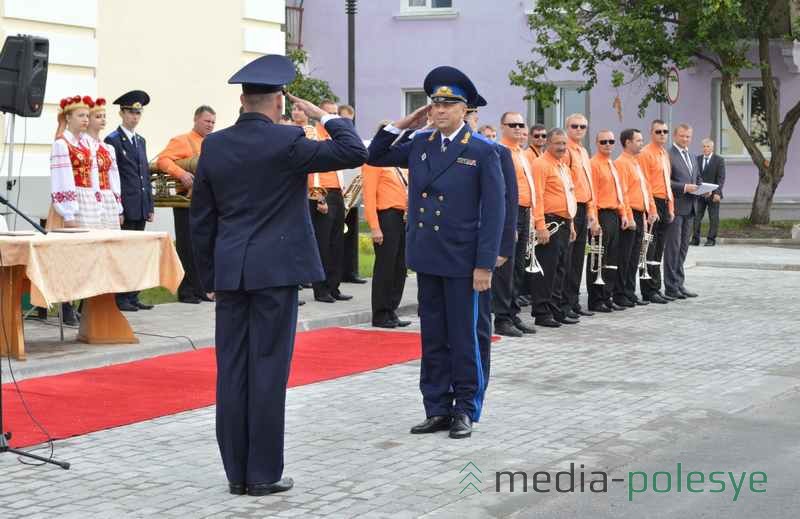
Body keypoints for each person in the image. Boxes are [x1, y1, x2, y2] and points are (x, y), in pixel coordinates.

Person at [190, 54, 368, 496]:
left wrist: (209, 275)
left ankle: (236, 472)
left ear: (242, 100)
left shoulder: (214, 145)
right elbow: (354, 150)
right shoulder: (289, 140)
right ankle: (263, 473)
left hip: (232, 271)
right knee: (268, 370)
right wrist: (323, 114)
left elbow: (202, 218)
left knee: (232, 370)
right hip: (276, 272)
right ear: (278, 101)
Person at [368, 66, 505, 439]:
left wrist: (484, 264)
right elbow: (375, 154)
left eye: (448, 104)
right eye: (434, 104)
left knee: (465, 336)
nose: (439, 110)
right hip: (428, 256)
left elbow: (494, 212)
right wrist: (405, 122)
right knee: (434, 336)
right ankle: (437, 407)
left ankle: (466, 408)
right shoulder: (422, 143)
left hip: (463, 261)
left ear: (466, 110)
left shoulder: (481, 150)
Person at [46, 95, 103, 324]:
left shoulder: (87, 143)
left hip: (87, 200)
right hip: (69, 204)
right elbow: (61, 179)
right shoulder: (62, 144)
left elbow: (94, 175)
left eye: (86, 116)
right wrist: (68, 212)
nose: (85, 120)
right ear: (67, 118)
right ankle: (66, 307)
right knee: (68, 258)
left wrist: (96, 202)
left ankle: (82, 304)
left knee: (86, 258)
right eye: (80, 115)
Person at [156, 105, 216, 304]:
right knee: (187, 247)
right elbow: (162, 160)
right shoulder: (182, 140)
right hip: (185, 202)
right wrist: (181, 173)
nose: (211, 125)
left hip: (206, 202)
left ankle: (202, 289)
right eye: (207, 121)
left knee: (203, 246)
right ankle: (187, 291)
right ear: (196, 120)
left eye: (213, 122)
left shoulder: (212, 142)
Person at [492, 111, 537, 337]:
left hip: (525, 211)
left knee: (519, 267)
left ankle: (512, 312)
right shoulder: (500, 151)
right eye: (513, 125)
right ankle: (501, 318)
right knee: (505, 268)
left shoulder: (522, 153)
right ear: (503, 127)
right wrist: (509, 223)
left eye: (521, 125)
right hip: (511, 212)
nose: (519, 129)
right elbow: (502, 190)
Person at [363, 120, 410, 328]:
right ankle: (380, 313)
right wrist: (374, 226)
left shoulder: (396, 161)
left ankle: (392, 309)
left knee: (400, 266)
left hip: (402, 217)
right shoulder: (373, 161)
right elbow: (369, 195)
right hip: (386, 216)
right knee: (385, 266)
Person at [529, 128, 577, 327]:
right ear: (548, 143)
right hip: (550, 223)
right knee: (546, 270)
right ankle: (542, 312)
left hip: (565, 222)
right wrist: (540, 226)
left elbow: (569, 195)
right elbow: (537, 196)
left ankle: (555, 309)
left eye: (564, 144)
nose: (562, 147)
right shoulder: (541, 164)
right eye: (557, 143)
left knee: (560, 269)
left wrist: (572, 223)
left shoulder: (563, 165)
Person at [307, 99, 353, 302]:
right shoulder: (313, 134)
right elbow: (310, 169)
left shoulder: (334, 135)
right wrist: (319, 198)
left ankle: (334, 286)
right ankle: (321, 288)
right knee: (322, 243)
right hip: (321, 193)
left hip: (336, 193)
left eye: (335, 113)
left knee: (336, 243)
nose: (334, 117)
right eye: (330, 113)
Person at [586, 130, 629, 313]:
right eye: (603, 141)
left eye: (611, 141)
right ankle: (595, 299)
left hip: (614, 214)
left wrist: (624, 214)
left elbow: (620, 192)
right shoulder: (593, 164)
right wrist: (593, 220)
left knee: (612, 260)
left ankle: (607, 296)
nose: (608, 145)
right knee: (597, 258)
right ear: (597, 143)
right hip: (601, 214)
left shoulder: (611, 164)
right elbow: (592, 195)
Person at [614, 128, 658, 308]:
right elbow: (622, 193)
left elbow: (646, 188)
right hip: (630, 213)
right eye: (638, 140)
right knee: (624, 257)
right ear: (627, 142)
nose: (642, 143)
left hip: (641, 213)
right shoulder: (621, 163)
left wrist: (651, 210)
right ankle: (620, 293)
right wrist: (629, 216)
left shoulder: (636, 162)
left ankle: (630, 291)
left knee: (634, 257)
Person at [561, 113, 598, 320]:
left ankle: (573, 301)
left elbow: (589, 184)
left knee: (577, 259)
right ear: (567, 127)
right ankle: (564, 304)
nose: (578, 129)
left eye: (582, 126)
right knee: (567, 258)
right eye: (574, 126)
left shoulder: (583, 151)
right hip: (571, 208)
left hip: (584, 207)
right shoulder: (565, 150)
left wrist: (592, 211)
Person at [638, 120, 675, 304]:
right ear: (651, 133)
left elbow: (667, 183)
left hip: (664, 202)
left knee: (659, 249)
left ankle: (656, 287)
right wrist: (652, 208)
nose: (662, 134)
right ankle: (648, 290)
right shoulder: (645, 153)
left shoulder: (664, 153)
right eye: (658, 131)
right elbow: (645, 184)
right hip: (652, 204)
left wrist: (671, 207)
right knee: (649, 249)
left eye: (665, 131)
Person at [665, 123, 700, 300]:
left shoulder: (692, 156)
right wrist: (685, 187)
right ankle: (670, 287)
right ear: (675, 136)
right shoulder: (669, 155)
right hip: (676, 208)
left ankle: (679, 283)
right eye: (682, 136)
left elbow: (697, 178)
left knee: (683, 249)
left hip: (691, 208)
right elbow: (665, 182)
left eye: (688, 136)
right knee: (673, 248)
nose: (685, 139)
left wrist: (704, 189)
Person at [334, 102, 366, 285]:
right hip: (338, 193)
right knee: (335, 239)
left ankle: (350, 271)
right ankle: (334, 276)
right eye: (345, 120)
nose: (348, 125)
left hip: (352, 196)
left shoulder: (353, 138)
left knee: (351, 236)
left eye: (350, 121)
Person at [83, 98, 123, 231]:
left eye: (104, 116)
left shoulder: (108, 148)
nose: (103, 119)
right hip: (90, 197)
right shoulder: (83, 145)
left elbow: (114, 176)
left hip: (108, 197)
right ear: (88, 119)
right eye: (98, 117)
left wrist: (118, 206)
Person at [692, 138, 725, 246]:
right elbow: (696, 176)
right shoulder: (697, 159)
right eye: (704, 146)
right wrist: (701, 190)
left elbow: (721, 178)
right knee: (696, 217)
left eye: (708, 146)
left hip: (714, 195)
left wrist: (717, 192)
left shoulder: (719, 160)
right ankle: (695, 239)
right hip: (700, 194)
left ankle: (711, 239)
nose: (705, 148)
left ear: (712, 148)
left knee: (713, 217)